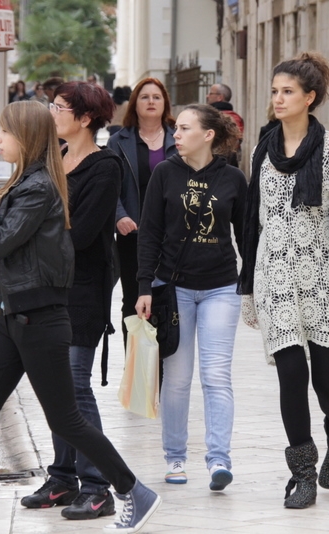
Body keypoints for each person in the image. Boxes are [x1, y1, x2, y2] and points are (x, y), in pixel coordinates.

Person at [0, 101, 160, 534]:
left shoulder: (37, 188)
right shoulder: (25, 184)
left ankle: (133, 490)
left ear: (26, 137)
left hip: (40, 322)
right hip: (13, 318)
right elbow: (29, 258)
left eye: (4, 132)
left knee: (66, 420)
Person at [239, 51, 329, 510]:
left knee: (328, 386)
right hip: (275, 277)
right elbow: (255, 218)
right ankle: (302, 472)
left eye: (288, 92)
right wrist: (250, 286)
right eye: (275, 91)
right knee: (290, 374)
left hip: (321, 280)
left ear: (310, 97)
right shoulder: (262, 148)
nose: (278, 99)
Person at [16, 82, 121, 521]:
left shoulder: (105, 166)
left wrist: (32, 235)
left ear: (85, 118)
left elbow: (82, 233)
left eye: (59, 107)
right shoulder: (52, 156)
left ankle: (97, 486)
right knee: (54, 386)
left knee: (75, 385)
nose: (52, 113)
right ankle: (62, 478)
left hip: (83, 289)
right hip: (47, 286)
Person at [135, 103, 247, 491]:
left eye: (184, 128)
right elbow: (149, 233)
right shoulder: (165, 173)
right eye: (176, 129)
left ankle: (219, 460)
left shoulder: (233, 178)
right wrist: (144, 287)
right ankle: (175, 458)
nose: (176, 135)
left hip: (221, 287)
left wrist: (251, 284)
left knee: (216, 376)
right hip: (174, 288)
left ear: (208, 135)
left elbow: (247, 236)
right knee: (178, 378)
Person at [107, 78, 177, 347]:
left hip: (172, 233)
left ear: (165, 104)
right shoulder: (118, 141)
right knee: (133, 298)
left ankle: (164, 358)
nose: (151, 102)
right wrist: (119, 216)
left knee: (168, 297)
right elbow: (110, 187)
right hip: (133, 233)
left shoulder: (178, 138)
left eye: (156, 97)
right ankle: (136, 361)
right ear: (134, 104)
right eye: (144, 97)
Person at [207, 83, 244, 167]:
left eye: (210, 93)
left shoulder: (211, 116)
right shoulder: (236, 117)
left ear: (220, 97)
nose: (207, 96)